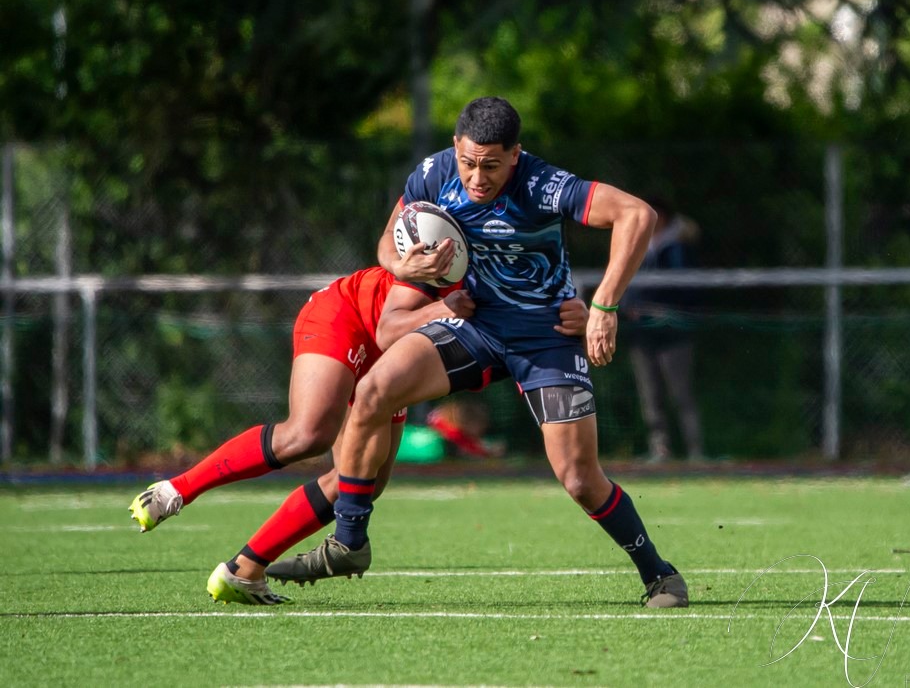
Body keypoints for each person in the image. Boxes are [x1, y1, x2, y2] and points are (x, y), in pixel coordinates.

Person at [265, 96, 689, 608]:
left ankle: (660, 576)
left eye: (491, 165)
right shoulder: (434, 174)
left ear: (515, 155)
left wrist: (604, 305)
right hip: (475, 326)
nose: (477, 177)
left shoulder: (542, 184)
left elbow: (636, 215)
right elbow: (389, 238)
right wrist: (401, 270)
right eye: (468, 162)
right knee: (375, 389)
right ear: (454, 150)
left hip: (546, 335)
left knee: (578, 477)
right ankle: (350, 542)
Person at [127, 264, 589, 604]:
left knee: (362, 480)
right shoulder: (457, 212)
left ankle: (244, 569)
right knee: (307, 434)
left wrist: (590, 315)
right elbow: (393, 269)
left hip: (395, 358)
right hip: (349, 316)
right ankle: (174, 491)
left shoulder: (523, 275)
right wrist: (436, 298)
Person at [622, 197, 706, 463]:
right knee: (650, 394)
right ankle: (660, 449)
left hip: (673, 331)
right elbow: (623, 280)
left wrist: (660, 306)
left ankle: (695, 450)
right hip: (642, 332)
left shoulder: (678, 247)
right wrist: (629, 307)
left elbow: (685, 287)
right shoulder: (635, 245)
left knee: (680, 392)